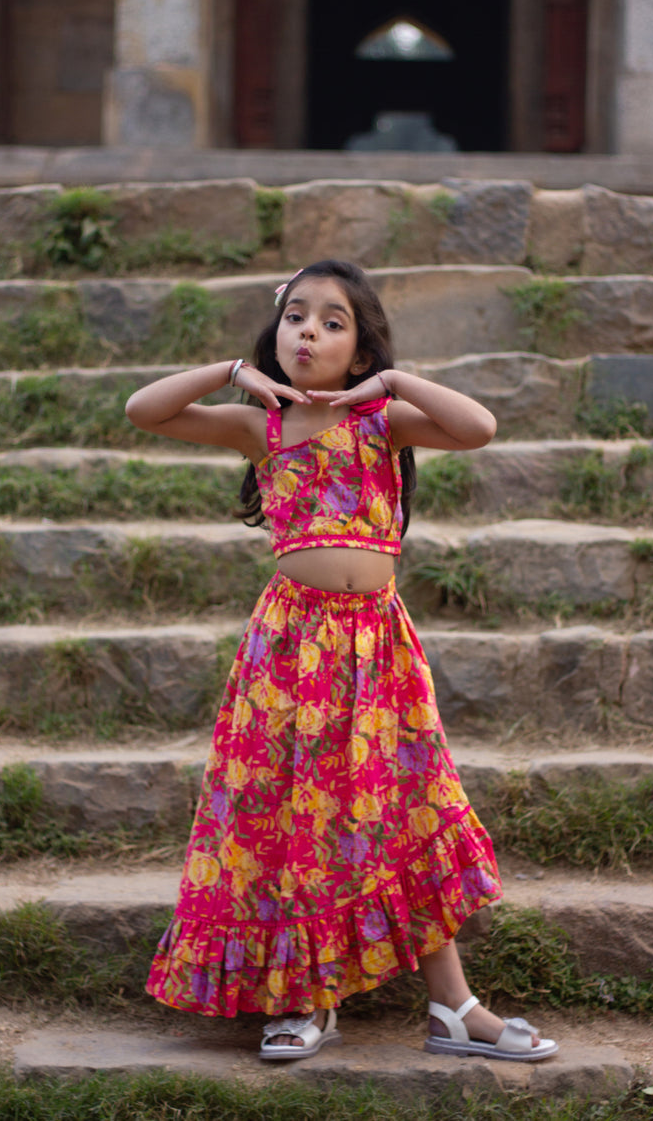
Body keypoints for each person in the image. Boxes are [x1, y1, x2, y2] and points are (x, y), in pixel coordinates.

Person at [125, 259, 557, 1064]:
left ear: (358, 352)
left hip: (377, 647)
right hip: (288, 653)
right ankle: (304, 1000)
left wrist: (389, 383)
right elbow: (142, 409)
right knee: (297, 817)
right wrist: (231, 373)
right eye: (295, 316)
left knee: (406, 811)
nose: (308, 332)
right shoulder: (262, 427)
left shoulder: (383, 422)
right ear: (275, 331)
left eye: (332, 321)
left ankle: (454, 1006)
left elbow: (478, 426)